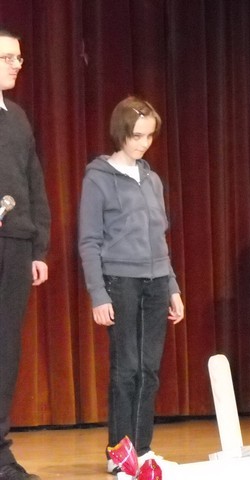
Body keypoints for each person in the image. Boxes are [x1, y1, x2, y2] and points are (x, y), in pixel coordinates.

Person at [78, 96, 184, 474]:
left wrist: (172, 287)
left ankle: (142, 449)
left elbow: (160, 238)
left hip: (156, 282)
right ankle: (118, 453)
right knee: (126, 369)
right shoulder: (98, 178)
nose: (143, 143)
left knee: (149, 370)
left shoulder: (152, 180)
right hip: (120, 281)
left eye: (149, 136)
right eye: (137, 136)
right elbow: (89, 241)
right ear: (120, 132)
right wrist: (98, 293)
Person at [0, 28, 50, 480]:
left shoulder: (16, 118)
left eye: (18, 58)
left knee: (6, 349)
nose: (17, 65)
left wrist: (39, 247)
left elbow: (34, 183)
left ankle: (1, 456)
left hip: (15, 244)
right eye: (7, 58)